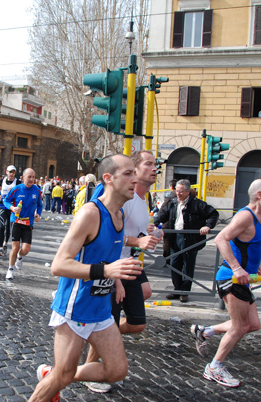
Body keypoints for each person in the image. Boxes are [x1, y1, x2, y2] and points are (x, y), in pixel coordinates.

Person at [29, 154, 142, 402]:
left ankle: (54, 373)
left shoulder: (119, 215)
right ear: (108, 179)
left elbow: (106, 250)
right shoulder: (90, 214)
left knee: (117, 370)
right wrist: (106, 272)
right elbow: (58, 265)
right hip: (75, 308)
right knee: (62, 376)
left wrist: (119, 275)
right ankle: (56, 376)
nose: (136, 178)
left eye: (135, 173)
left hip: (100, 309)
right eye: (128, 174)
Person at [82, 150, 163, 393]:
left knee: (137, 323)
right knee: (107, 321)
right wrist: (136, 243)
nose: (154, 168)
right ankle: (89, 368)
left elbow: (129, 232)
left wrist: (146, 233)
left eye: (155, 164)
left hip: (129, 264)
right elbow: (109, 235)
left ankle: (103, 338)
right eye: (148, 164)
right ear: (134, 170)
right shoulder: (120, 199)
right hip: (112, 267)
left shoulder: (142, 199)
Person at [190, 179, 261, 388]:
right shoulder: (245, 216)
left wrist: (255, 265)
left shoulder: (258, 216)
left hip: (243, 278)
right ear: (260, 194)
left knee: (252, 324)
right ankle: (214, 368)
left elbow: (248, 245)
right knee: (239, 327)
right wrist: (238, 268)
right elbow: (221, 238)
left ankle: (206, 331)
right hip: (231, 278)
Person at [154, 179, 219, 303]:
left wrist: (208, 226)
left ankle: (184, 292)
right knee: (175, 264)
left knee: (188, 265)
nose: (178, 194)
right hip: (174, 237)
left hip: (190, 238)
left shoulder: (197, 204)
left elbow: (213, 214)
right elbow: (162, 215)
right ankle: (177, 289)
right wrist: (155, 224)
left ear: (188, 191)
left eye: (181, 191)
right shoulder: (173, 203)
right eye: (177, 191)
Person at [2, 168, 42, 280]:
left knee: (25, 250)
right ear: (23, 177)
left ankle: (20, 256)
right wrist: (12, 208)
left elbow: (40, 205)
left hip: (28, 222)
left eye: (33, 177)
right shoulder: (16, 189)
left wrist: (38, 214)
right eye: (29, 177)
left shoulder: (37, 190)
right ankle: (10, 269)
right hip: (16, 221)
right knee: (15, 247)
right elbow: (5, 201)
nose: (32, 179)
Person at [0, 165, 21, 257]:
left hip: (12, 207)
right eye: (10, 172)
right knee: (2, 226)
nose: (11, 174)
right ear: (6, 172)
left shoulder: (17, 182)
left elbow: (20, 193)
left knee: (8, 227)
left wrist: (14, 192)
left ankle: (5, 244)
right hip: (2, 206)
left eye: (13, 172)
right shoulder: (2, 181)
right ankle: (0, 247)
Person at [160, 179, 178, 258]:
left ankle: (167, 259)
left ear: (171, 187)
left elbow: (162, 210)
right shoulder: (183, 196)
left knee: (167, 242)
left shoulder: (171, 197)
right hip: (177, 223)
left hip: (168, 223)